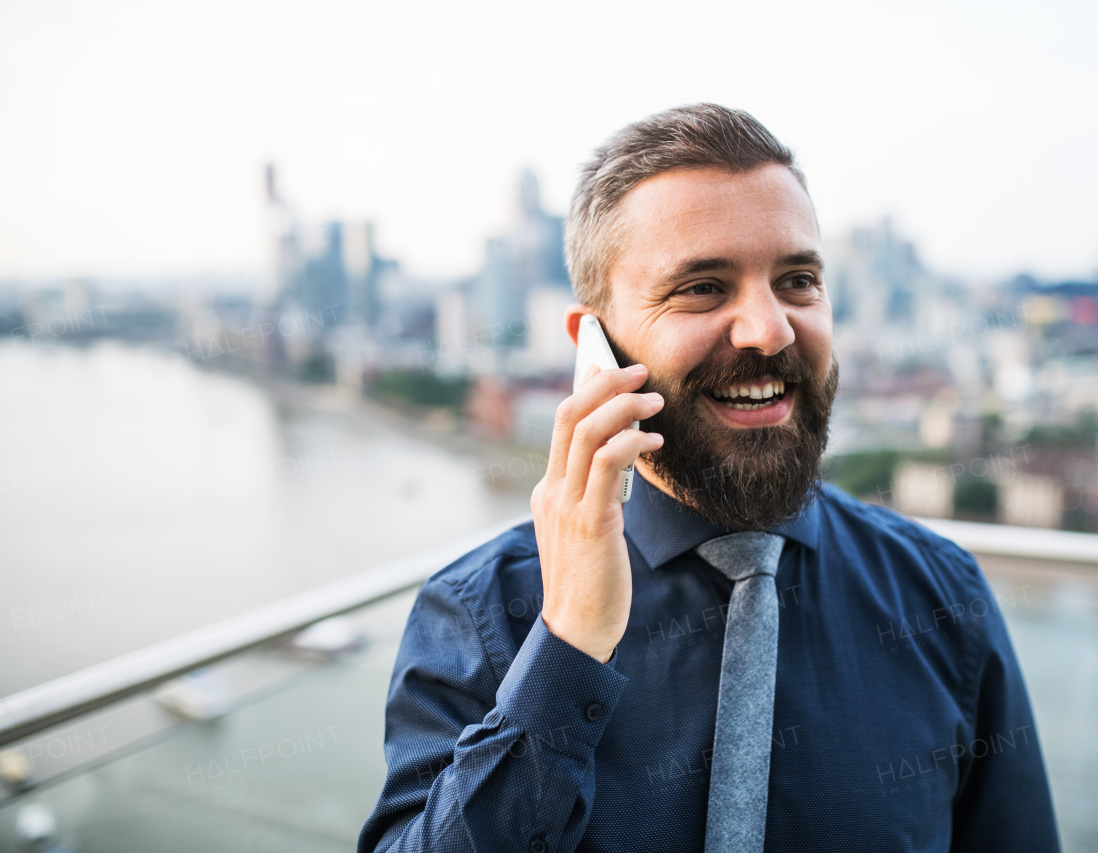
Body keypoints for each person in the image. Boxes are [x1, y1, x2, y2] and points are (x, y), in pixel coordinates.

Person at [358, 104, 1060, 853]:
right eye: (702, 287)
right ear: (594, 344)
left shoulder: (943, 599)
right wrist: (566, 650)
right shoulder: (481, 615)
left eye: (797, 280)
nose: (769, 328)